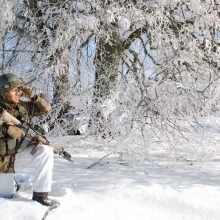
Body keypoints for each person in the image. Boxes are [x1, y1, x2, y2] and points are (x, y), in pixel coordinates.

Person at [0, 73, 59, 206]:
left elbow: (47, 109)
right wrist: (5, 130)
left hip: (18, 152)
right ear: (4, 91)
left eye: (20, 90)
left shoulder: (22, 107)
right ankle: (13, 183)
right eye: (15, 90)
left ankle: (40, 195)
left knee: (45, 151)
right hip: (2, 161)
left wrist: (32, 95)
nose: (18, 93)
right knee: (4, 198)